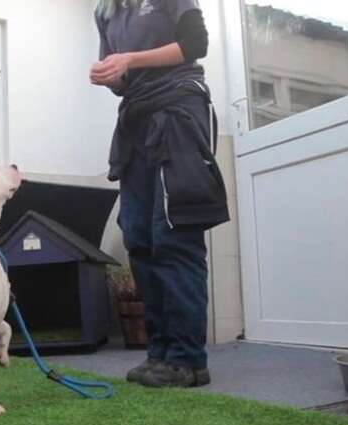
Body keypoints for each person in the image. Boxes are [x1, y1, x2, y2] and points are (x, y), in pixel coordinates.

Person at [91, 0, 229, 388]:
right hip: (135, 119)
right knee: (139, 238)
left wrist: (129, 60)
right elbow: (120, 76)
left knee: (174, 234)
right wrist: (111, 75)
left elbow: (194, 44)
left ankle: (188, 360)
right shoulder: (104, 12)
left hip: (178, 108)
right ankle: (161, 353)